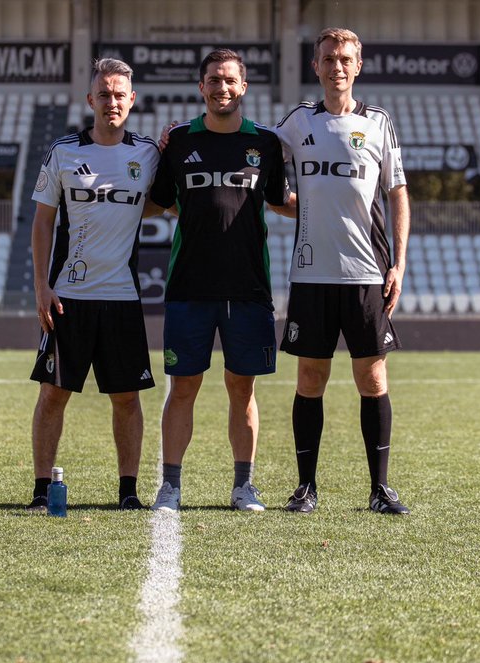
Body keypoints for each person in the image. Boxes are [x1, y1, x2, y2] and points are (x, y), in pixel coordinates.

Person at [147, 48, 292, 513]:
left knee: (242, 388)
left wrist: (331, 202)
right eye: (213, 80)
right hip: (189, 285)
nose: (222, 88)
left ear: (243, 87)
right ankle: (170, 486)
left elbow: (280, 200)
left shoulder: (266, 144)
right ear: (201, 87)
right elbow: (156, 202)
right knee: (182, 387)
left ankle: (243, 486)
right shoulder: (179, 141)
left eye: (230, 80)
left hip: (248, 287)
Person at [276, 27, 411, 515]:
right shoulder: (295, 123)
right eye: (328, 58)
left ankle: (380, 489)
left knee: (372, 379)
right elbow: (263, 176)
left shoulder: (378, 123)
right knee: (309, 377)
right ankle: (306, 488)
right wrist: (304, 207)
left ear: (358, 66)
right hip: (311, 274)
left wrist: (398, 261)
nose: (337, 66)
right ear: (316, 66)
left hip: (367, 274)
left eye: (345, 59)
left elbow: (397, 193)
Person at [26, 57, 161, 511]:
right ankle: (42, 489)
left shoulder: (147, 154)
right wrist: (42, 287)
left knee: (126, 396)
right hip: (69, 297)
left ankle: (128, 491)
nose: (112, 102)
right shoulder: (64, 151)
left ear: (132, 100)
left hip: (121, 297)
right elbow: (42, 222)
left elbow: (168, 202)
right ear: (91, 100)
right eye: (104, 94)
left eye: (120, 94)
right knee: (53, 393)